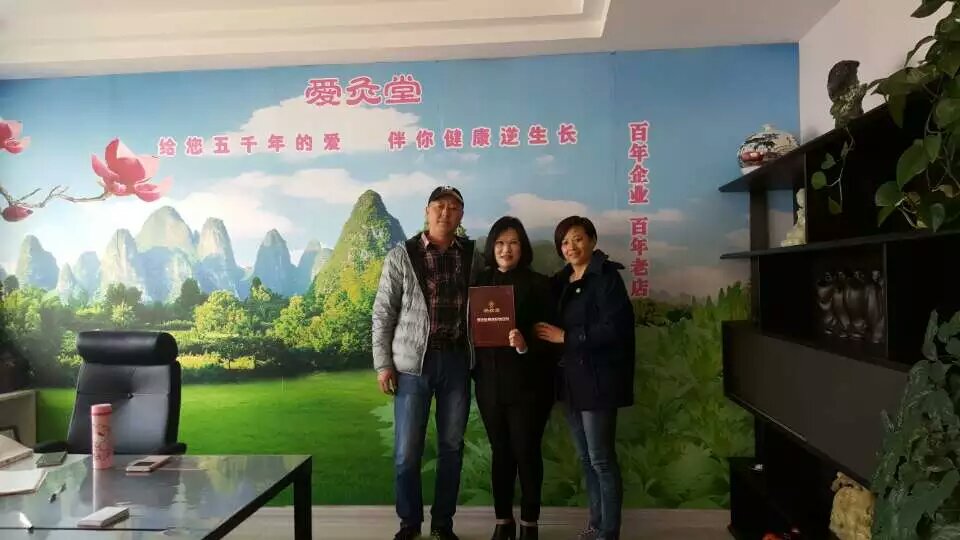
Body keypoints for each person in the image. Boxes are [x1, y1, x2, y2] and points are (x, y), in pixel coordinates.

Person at [372, 186, 484, 540]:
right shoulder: (402, 255)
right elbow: (383, 312)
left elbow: (487, 307)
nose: (445, 213)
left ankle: (442, 524)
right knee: (407, 452)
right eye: (439, 206)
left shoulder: (472, 257)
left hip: (456, 363)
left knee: (452, 448)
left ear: (461, 214)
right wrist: (383, 364)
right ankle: (409, 523)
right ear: (427, 210)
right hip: (412, 367)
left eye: (453, 207)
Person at [534, 216, 634, 540]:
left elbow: (615, 329)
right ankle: (595, 524)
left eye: (577, 238)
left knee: (601, 460)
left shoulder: (606, 278)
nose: (571, 247)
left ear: (592, 240)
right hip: (570, 383)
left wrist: (566, 337)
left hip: (599, 381)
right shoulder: (563, 279)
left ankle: (609, 532)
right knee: (586, 459)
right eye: (564, 242)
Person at [472, 216, 555, 540]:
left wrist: (524, 344)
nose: (506, 249)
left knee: (526, 452)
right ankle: (503, 520)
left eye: (513, 243)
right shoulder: (478, 284)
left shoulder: (539, 285)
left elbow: (551, 337)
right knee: (501, 453)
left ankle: (529, 524)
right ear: (492, 247)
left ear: (523, 248)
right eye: (500, 243)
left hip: (529, 387)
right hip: (489, 386)